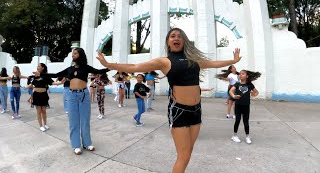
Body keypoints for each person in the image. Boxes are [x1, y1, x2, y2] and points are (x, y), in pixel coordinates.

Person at [96, 27, 241, 173]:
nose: (176, 38)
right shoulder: (164, 61)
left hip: (196, 110)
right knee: (183, 156)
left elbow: (214, 63)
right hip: (179, 111)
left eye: (180, 36)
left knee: (188, 151)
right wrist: (109, 65)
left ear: (184, 41)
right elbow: (135, 67)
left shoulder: (194, 60)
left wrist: (233, 61)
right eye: (173, 36)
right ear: (168, 42)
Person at [33, 47, 109, 155]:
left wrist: (111, 66)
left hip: (84, 95)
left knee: (85, 120)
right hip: (72, 95)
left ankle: (87, 143)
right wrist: (41, 75)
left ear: (80, 55)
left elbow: (99, 71)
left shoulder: (85, 67)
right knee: (74, 121)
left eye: (75, 53)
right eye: (73, 53)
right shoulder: (69, 69)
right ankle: (76, 145)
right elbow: (56, 74)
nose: (73, 55)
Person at [24, 64, 60, 131]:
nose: (37, 67)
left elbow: (52, 83)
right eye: (37, 66)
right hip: (36, 95)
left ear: (43, 68)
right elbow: (31, 84)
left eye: (39, 66)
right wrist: (26, 87)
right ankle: (41, 126)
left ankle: (45, 124)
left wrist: (60, 83)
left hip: (44, 95)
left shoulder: (46, 76)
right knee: (39, 111)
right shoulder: (35, 76)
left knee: (44, 111)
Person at [229, 70, 260, 144]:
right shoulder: (237, 84)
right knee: (237, 120)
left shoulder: (250, 85)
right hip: (238, 105)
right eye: (240, 74)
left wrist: (254, 94)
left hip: (246, 106)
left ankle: (247, 136)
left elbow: (256, 92)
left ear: (246, 76)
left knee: (246, 121)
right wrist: (234, 96)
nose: (240, 75)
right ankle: (234, 136)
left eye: (243, 74)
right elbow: (231, 91)